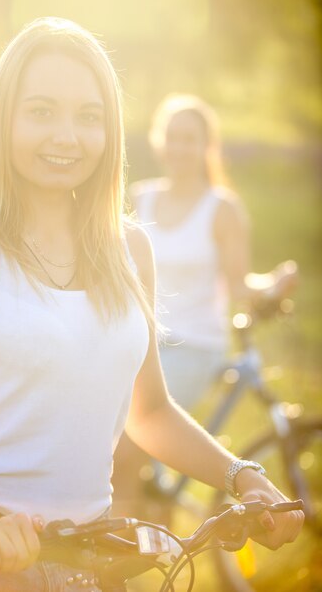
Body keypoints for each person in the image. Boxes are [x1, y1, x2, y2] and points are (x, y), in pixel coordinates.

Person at [0, 20, 302, 592]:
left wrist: (242, 477)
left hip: (90, 560)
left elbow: (151, 412)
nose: (67, 135)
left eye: (89, 117)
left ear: (110, 131)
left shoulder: (131, 249)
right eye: (41, 111)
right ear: (2, 119)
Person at [112, 93, 297, 518]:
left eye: (190, 139)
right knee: (99, 439)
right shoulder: (141, 199)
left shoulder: (221, 209)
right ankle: (139, 527)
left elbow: (239, 284)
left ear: (206, 146)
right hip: (138, 342)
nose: (179, 147)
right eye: (172, 137)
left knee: (127, 447)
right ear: (159, 142)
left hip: (193, 347)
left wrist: (273, 284)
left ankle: (117, 565)